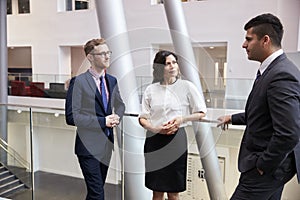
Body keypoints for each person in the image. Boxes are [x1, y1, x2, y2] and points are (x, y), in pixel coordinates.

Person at [217, 13, 300, 200]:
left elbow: (289, 132)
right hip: (274, 167)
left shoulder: (280, 75)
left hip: (267, 168)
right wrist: (233, 118)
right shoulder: (271, 70)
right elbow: (263, 112)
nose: (244, 45)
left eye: (248, 39)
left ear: (265, 40)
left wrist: (264, 164)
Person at [139, 50, 207, 200]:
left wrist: (181, 119)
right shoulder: (151, 89)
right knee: (156, 191)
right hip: (154, 140)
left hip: (176, 141)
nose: (172, 66)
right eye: (167, 63)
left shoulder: (187, 87)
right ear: (159, 68)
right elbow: (142, 118)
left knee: (173, 191)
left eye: (174, 62)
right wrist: (155, 128)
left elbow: (201, 112)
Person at [65, 38, 125, 200]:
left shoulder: (112, 80)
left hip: (106, 145)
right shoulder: (78, 82)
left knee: (95, 192)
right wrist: (103, 121)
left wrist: (116, 117)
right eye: (102, 53)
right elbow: (71, 117)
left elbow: (120, 105)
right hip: (87, 147)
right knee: (98, 194)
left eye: (108, 53)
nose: (107, 57)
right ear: (90, 57)